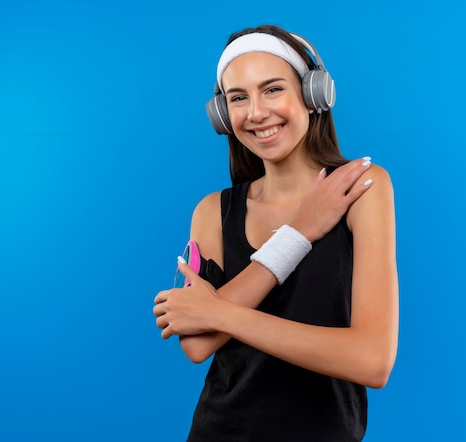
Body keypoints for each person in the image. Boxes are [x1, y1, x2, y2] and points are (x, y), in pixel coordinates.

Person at [153, 24, 398, 441]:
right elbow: (196, 346)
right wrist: (298, 233)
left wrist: (220, 312)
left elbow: (372, 360)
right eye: (238, 98)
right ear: (222, 115)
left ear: (314, 93)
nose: (256, 113)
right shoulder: (213, 211)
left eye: (272, 89)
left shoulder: (362, 188)